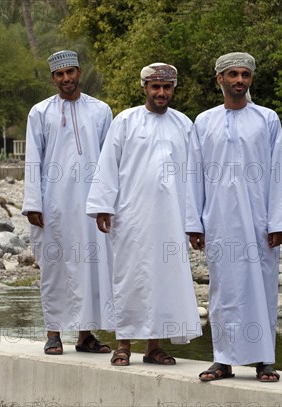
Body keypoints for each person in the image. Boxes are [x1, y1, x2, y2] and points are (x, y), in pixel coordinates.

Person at [86, 62, 202, 366]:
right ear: (145, 88)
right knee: (129, 277)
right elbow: (108, 164)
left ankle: (154, 345)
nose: (161, 92)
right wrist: (102, 206)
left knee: (164, 279)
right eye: (156, 87)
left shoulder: (184, 125)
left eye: (167, 87)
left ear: (173, 88)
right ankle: (123, 343)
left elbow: (194, 175)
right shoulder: (126, 121)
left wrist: (195, 220)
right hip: (131, 216)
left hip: (172, 218)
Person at [185, 52, 282, 382]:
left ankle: (264, 360)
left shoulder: (267, 119)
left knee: (261, 288)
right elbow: (194, 174)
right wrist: (193, 223)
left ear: (251, 79)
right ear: (220, 79)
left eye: (245, 74)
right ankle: (223, 359)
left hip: (258, 221)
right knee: (223, 292)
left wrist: (278, 221)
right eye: (233, 75)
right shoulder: (204, 121)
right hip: (218, 221)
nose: (240, 80)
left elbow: (276, 172)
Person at [22, 50, 115, 355]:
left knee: (91, 267)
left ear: (79, 72)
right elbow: (33, 159)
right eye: (60, 75)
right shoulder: (40, 112)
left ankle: (86, 335)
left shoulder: (101, 111)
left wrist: (106, 203)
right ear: (53, 78)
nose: (66, 79)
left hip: (91, 206)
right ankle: (53, 333)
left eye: (70, 72)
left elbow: (109, 160)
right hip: (55, 205)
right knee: (55, 268)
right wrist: (33, 203)